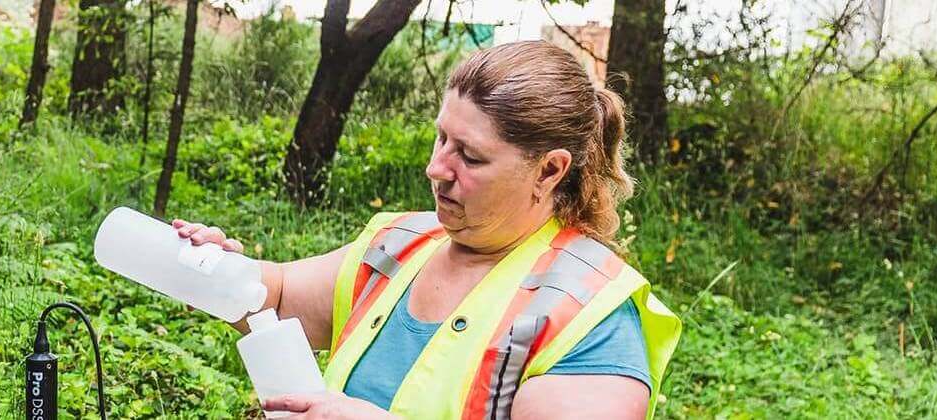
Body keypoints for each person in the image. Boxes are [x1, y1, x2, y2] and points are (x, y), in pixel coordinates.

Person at [171, 42, 681, 419]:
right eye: (441, 138)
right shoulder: (399, 245)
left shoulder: (591, 316)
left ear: (548, 171)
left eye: (470, 155)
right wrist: (219, 272)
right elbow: (276, 299)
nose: (437, 168)